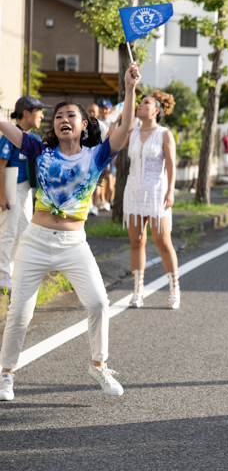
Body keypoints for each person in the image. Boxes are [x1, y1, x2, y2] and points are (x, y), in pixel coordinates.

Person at [0, 62, 141, 402]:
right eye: (59, 116)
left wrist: (130, 89)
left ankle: (98, 364)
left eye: (71, 116)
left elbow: (124, 128)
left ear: (84, 125)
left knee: (98, 303)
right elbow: (8, 128)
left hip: (74, 243)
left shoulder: (97, 155)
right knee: (20, 313)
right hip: (35, 242)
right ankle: (6, 375)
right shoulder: (39, 150)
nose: (64, 119)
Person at [120, 90, 180, 309]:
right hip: (133, 192)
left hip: (156, 193)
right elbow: (113, 141)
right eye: (139, 102)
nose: (140, 105)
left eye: (145, 103)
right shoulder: (132, 132)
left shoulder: (164, 133)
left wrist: (170, 191)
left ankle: (174, 290)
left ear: (156, 111)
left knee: (163, 242)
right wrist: (119, 118)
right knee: (136, 241)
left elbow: (171, 164)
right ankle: (138, 291)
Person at [0, 97, 49, 291]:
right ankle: (3, 275)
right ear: (26, 112)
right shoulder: (10, 135)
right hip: (10, 184)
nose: (42, 115)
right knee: (8, 231)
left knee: (24, 232)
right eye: (39, 110)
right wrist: (2, 195)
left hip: (27, 188)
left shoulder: (35, 139)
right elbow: (1, 166)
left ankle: (11, 272)